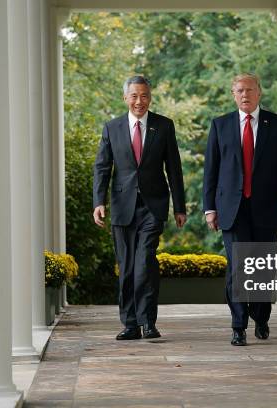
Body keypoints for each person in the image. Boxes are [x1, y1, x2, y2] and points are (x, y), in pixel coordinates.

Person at [203, 73, 277, 346]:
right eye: (239, 90)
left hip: (267, 208)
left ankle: (262, 316)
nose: (244, 95)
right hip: (231, 208)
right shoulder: (220, 125)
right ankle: (238, 325)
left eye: (249, 90)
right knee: (237, 267)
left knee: (262, 267)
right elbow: (211, 169)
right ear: (233, 94)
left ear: (259, 93)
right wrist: (209, 208)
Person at [93, 75, 187, 341]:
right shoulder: (112, 128)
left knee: (145, 262)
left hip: (153, 206)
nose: (139, 101)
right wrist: (98, 202)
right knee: (128, 267)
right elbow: (102, 167)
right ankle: (130, 323)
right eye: (134, 96)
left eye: (144, 95)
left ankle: (148, 322)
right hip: (122, 208)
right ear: (125, 98)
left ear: (150, 97)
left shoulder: (164, 126)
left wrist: (179, 207)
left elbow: (174, 169)